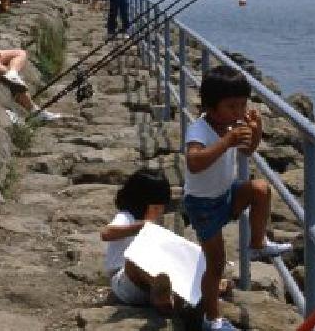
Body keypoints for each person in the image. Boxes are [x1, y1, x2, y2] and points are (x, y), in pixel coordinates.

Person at [184, 66, 292, 331]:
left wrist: (255, 130)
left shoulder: (232, 124)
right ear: (210, 106)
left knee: (260, 189)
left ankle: (257, 243)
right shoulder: (199, 129)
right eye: (232, 106)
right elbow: (194, 162)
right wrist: (227, 140)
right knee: (217, 263)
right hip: (203, 205)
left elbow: (248, 151)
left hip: (225, 193)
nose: (239, 112)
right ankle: (212, 319)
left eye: (243, 105)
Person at [101, 169, 175, 313]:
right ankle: (159, 293)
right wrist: (138, 228)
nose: (160, 212)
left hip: (147, 285)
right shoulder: (127, 217)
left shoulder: (154, 221)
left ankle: (167, 296)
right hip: (125, 282)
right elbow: (106, 233)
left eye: (161, 208)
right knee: (134, 260)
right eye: (155, 208)